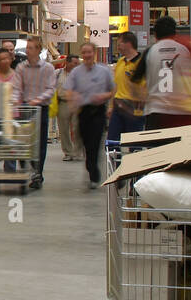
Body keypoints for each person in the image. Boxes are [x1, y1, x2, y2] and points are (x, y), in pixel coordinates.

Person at [130, 15, 191, 130]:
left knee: (158, 148)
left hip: (157, 112)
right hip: (183, 112)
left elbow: (134, 80)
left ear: (155, 35)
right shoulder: (186, 49)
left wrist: (139, 99)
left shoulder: (150, 51)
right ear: (175, 32)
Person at [64, 41, 115, 190]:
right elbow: (68, 89)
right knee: (87, 145)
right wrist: (73, 98)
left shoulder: (104, 71)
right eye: (84, 52)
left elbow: (112, 90)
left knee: (95, 143)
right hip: (83, 112)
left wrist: (103, 97)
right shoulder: (76, 72)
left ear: (94, 53)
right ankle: (91, 167)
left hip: (98, 111)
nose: (87, 55)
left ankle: (94, 175)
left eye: (89, 52)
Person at [12, 37, 56, 189]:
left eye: (31, 48)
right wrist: (16, 104)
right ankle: (28, 168)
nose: (27, 51)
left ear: (38, 50)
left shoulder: (48, 68)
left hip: (40, 109)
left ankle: (37, 174)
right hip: (24, 109)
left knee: (39, 144)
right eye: (27, 47)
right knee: (24, 142)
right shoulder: (21, 68)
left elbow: (51, 89)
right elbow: (17, 88)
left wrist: (37, 100)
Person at [107, 32, 147, 144]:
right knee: (112, 142)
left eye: (119, 44)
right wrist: (111, 106)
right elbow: (115, 86)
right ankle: (115, 162)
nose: (117, 47)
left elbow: (146, 88)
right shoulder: (120, 62)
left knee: (134, 143)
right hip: (118, 107)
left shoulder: (141, 63)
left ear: (128, 44)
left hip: (134, 108)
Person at [54, 52, 83, 161]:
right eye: (74, 63)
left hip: (77, 103)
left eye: (78, 63)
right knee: (64, 129)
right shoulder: (58, 73)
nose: (77, 65)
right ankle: (68, 152)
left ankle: (77, 151)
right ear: (67, 63)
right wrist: (59, 61)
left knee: (77, 128)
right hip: (62, 103)